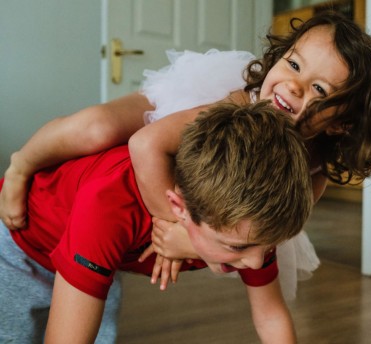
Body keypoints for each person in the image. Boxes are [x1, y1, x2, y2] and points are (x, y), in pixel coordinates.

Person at [0, 11, 371, 294]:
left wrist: (200, 245)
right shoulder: (230, 106)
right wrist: (171, 229)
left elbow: (281, 224)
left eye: (320, 90)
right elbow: (147, 144)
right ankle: (23, 163)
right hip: (174, 112)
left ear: (341, 124)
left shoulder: (314, 166)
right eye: (293, 64)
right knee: (97, 128)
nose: (295, 86)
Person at [0, 102, 313, 344]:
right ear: (177, 208)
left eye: (268, 247)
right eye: (238, 247)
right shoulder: (108, 205)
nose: (257, 261)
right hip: (19, 245)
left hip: (94, 257)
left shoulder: (254, 228)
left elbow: (271, 318)